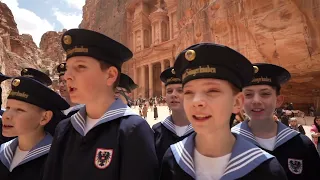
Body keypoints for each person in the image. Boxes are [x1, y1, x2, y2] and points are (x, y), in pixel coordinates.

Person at [42, 28, 158, 180]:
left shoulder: (132, 130)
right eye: (68, 68)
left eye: (80, 67)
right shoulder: (65, 129)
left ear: (110, 75)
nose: (67, 76)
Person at [160, 43, 287, 179]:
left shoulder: (268, 171)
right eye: (189, 92)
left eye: (212, 90)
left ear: (237, 102)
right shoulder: (172, 159)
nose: (196, 101)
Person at [232, 63, 320, 179]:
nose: (256, 100)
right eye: (248, 94)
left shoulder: (302, 144)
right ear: (240, 101)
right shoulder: (229, 144)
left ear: (278, 100)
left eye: (265, 93)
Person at [0, 76, 69, 180]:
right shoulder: (3, 152)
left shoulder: (59, 159)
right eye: (8, 108)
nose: (6, 116)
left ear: (45, 117)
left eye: (19, 110)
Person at [152, 67, 193, 164]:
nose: (173, 95)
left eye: (180, 90)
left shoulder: (203, 131)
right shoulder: (156, 132)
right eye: (169, 91)